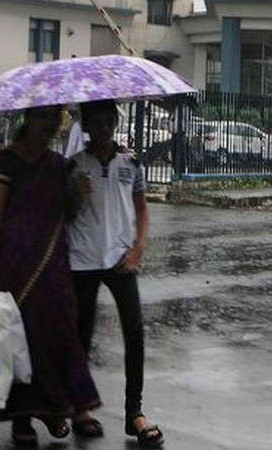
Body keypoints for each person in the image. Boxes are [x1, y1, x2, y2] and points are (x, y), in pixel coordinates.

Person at [0, 106, 104, 448]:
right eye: (43, 116)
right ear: (28, 119)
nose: (49, 124)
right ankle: (22, 419)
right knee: (20, 344)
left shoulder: (60, 166)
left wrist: (78, 194)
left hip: (54, 269)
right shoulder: (3, 162)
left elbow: (70, 216)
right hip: (14, 267)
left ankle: (61, 409)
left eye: (54, 117)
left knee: (59, 339)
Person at [67, 100, 164, 448]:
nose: (105, 128)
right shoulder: (74, 166)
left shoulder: (131, 163)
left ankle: (134, 413)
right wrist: (75, 197)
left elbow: (142, 207)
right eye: (98, 122)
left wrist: (139, 247)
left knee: (134, 331)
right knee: (81, 334)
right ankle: (80, 409)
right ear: (88, 126)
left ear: (116, 123)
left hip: (120, 258)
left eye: (110, 121)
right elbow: (63, 216)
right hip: (82, 259)